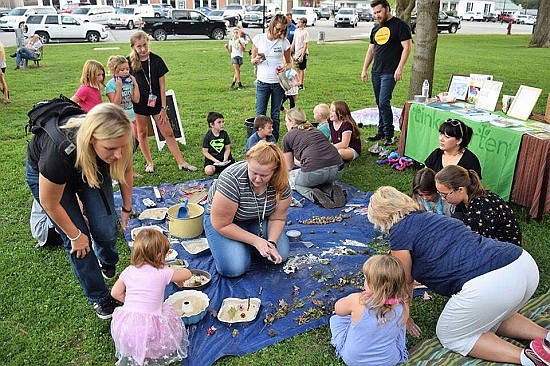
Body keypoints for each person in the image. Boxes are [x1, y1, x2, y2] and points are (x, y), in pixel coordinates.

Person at [367, 186, 550, 366]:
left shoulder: (400, 232)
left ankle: (529, 358)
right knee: (490, 318)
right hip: (522, 264)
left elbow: (403, 279)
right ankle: (546, 338)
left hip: (493, 282)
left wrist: (405, 314)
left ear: (381, 217)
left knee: (451, 335)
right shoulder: (433, 218)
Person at [26, 103, 134, 319]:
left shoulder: (121, 139)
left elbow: (126, 168)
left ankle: (107, 260)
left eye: (122, 146)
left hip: (92, 165)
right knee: (79, 243)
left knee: (105, 228)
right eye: (111, 148)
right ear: (92, 139)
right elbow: (50, 203)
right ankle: (99, 297)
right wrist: (75, 235)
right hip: (51, 178)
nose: (118, 153)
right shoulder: (58, 151)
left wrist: (126, 208)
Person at [204, 141, 291, 277]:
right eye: (254, 172)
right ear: (248, 163)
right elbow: (221, 224)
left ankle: (247, 242)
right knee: (235, 267)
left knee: (280, 255)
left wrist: (271, 243)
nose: (257, 179)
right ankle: (241, 243)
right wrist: (256, 241)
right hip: (225, 222)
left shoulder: (281, 182)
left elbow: (277, 218)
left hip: (258, 218)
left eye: (263, 175)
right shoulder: (232, 178)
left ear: (275, 171)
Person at [110, 228, 191, 366]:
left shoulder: (128, 270)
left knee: (140, 336)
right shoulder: (162, 272)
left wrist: (133, 303)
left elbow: (115, 293)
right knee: (166, 325)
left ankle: (138, 350)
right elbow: (187, 274)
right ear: (160, 256)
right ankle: (154, 350)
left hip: (128, 326)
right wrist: (171, 271)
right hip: (151, 326)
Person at [128, 30, 197, 173]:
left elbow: (162, 85)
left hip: (156, 102)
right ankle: (149, 163)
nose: (143, 49)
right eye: (139, 46)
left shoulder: (157, 60)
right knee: (142, 132)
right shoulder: (129, 62)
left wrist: (163, 107)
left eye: (145, 45)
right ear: (133, 47)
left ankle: (181, 162)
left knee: (168, 132)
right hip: (138, 102)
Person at [330, 255, 409, 366]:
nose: (364, 281)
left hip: (354, 360)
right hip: (388, 360)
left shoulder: (358, 301)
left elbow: (338, 310)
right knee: (400, 327)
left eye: (366, 278)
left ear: (373, 285)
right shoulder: (403, 304)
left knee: (336, 320)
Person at [361, 0, 412, 146]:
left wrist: (400, 67)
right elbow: (371, 50)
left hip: (390, 72)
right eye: (375, 13)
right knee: (379, 103)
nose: (377, 15)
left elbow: (407, 47)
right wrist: (364, 69)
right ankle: (381, 131)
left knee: (384, 102)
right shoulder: (375, 29)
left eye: (379, 12)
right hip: (376, 71)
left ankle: (389, 135)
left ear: (387, 9)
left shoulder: (399, 25)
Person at [435, 165, 522, 245]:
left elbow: (475, 245)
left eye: (444, 195)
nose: (443, 199)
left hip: (504, 249)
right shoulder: (469, 196)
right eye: (439, 193)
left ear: (460, 190)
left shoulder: (480, 211)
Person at [281, 107, 345, 208]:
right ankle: (331, 190)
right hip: (337, 168)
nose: (286, 124)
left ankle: (314, 196)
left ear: (292, 122)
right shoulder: (316, 131)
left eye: (286, 121)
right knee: (321, 179)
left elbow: (289, 166)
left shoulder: (288, 137)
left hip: (315, 171)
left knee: (299, 184)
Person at [251, 14, 292, 141]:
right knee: (260, 114)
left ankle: (273, 141)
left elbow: (289, 62)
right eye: (277, 29)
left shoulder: (284, 42)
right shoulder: (259, 39)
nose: (279, 32)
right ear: (272, 25)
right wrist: (256, 60)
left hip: (277, 83)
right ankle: (256, 141)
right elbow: (252, 60)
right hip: (263, 82)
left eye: (283, 30)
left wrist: (284, 68)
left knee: (275, 114)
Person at [105, 55, 140, 137]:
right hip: (120, 119)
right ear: (114, 70)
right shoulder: (110, 85)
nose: (126, 72)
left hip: (132, 117)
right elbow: (115, 104)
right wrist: (119, 87)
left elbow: (136, 100)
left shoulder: (129, 82)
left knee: (134, 142)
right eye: (122, 70)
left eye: (127, 69)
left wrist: (135, 84)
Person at [202, 111, 235, 176]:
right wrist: (215, 161)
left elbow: (227, 149)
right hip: (212, 161)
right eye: (219, 122)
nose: (222, 124)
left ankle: (225, 169)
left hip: (225, 160)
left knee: (235, 169)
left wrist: (225, 159)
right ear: (211, 124)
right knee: (208, 171)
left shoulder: (224, 134)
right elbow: (205, 152)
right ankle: (220, 169)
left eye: (223, 122)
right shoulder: (207, 136)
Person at [291, 17, 309, 89]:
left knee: (302, 68)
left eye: (301, 22)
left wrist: (302, 55)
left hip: (302, 52)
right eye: (299, 22)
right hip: (297, 52)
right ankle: (298, 82)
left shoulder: (305, 32)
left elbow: (305, 45)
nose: (299, 23)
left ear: (304, 24)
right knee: (297, 68)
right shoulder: (296, 31)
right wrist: (291, 50)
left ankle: (301, 84)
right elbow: (294, 41)